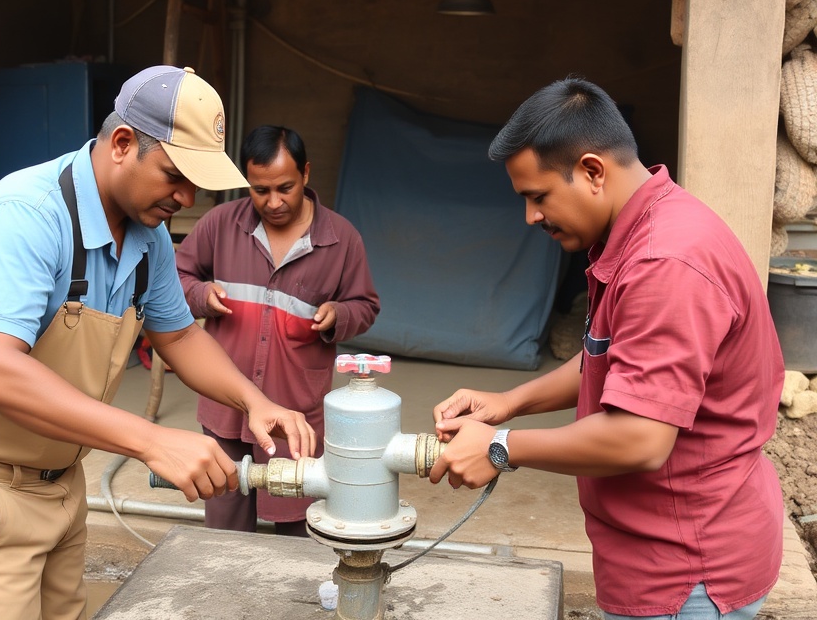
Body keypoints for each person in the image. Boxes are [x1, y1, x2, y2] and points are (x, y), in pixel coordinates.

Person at [0, 66, 316, 619]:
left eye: (198, 183)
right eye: (174, 175)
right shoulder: (26, 217)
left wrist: (254, 400)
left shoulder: (148, 235)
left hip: (60, 478)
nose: (186, 197)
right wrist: (151, 441)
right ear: (122, 143)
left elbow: (181, 335)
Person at [429, 77, 784, 620]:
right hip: (660, 553)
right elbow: (609, 354)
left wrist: (500, 446)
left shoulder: (664, 263)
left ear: (593, 171)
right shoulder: (639, 229)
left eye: (538, 196)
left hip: (687, 572)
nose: (530, 217)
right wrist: (510, 402)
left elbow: (639, 439)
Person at [175, 125, 380, 536]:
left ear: (305, 173)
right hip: (226, 403)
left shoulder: (342, 240)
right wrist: (199, 294)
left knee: (298, 518)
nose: (273, 202)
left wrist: (339, 315)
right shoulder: (220, 224)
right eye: (259, 190)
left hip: (295, 411)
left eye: (285, 187)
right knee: (225, 519)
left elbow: (366, 305)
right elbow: (177, 276)